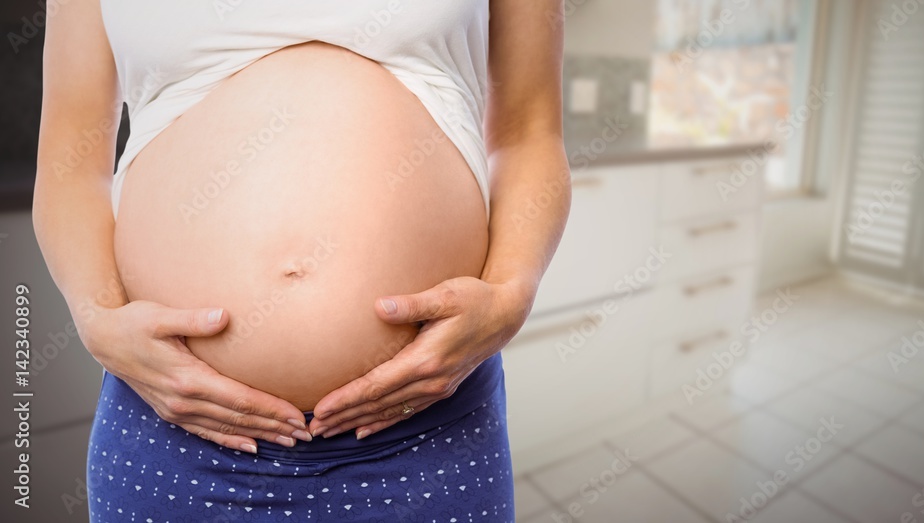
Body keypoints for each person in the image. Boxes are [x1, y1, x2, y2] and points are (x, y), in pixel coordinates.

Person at [32, 0, 570, 520]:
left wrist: (510, 292)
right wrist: (95, 316)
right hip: (174, 424)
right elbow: (70, 160)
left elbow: (528, 135)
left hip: (426, 422)